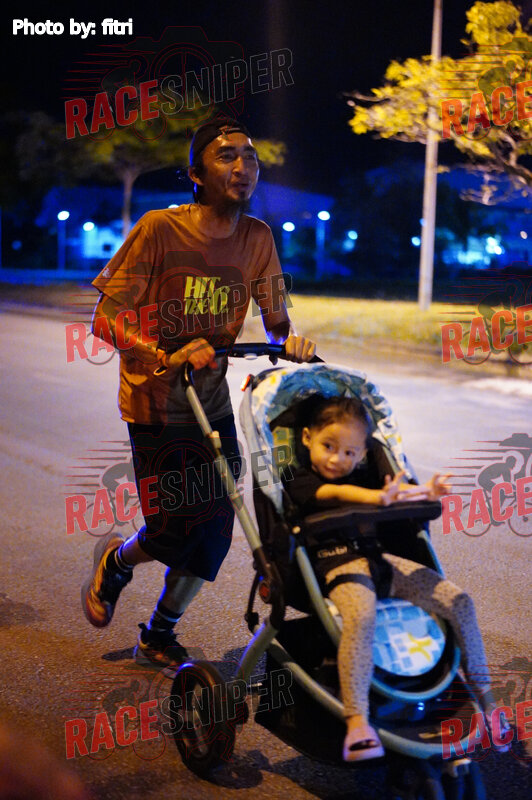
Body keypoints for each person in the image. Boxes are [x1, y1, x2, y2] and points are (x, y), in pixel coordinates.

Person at [81, 117, 316, 669]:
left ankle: (158, 634)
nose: (243, 167)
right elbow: (105, 319)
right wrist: (165, 355)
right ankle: (117, 562)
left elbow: (277, 319)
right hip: (156, 402)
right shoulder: (159, 229)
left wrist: (291, 341)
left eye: (250, 156)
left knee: (213, 533)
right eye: (226, 156)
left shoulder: (258, 237)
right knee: (172, 528)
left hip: (210, 405)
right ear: (195, 174)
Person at [283, 395, 510, 762]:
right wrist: (377, 498)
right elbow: (337, 493)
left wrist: (425, 492)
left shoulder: (366, 475)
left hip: (380, 563)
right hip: (337, 565)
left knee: (459, 601)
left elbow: (393, 492)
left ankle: (487, 700)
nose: (337, 459)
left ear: (362, 453)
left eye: (350, 452)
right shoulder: (299, 479)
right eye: (329, 446)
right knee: (362, 616)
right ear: (308, 438)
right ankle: (357, 721)